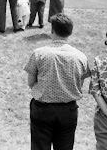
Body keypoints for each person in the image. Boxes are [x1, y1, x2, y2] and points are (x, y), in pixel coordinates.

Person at [24, 14, 90, 150]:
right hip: (68, 110)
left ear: (52, 30)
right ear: (70, 32)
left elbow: (30, 82)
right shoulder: (80, 57)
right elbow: (80, 84)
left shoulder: (39, 54)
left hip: (42, 109)